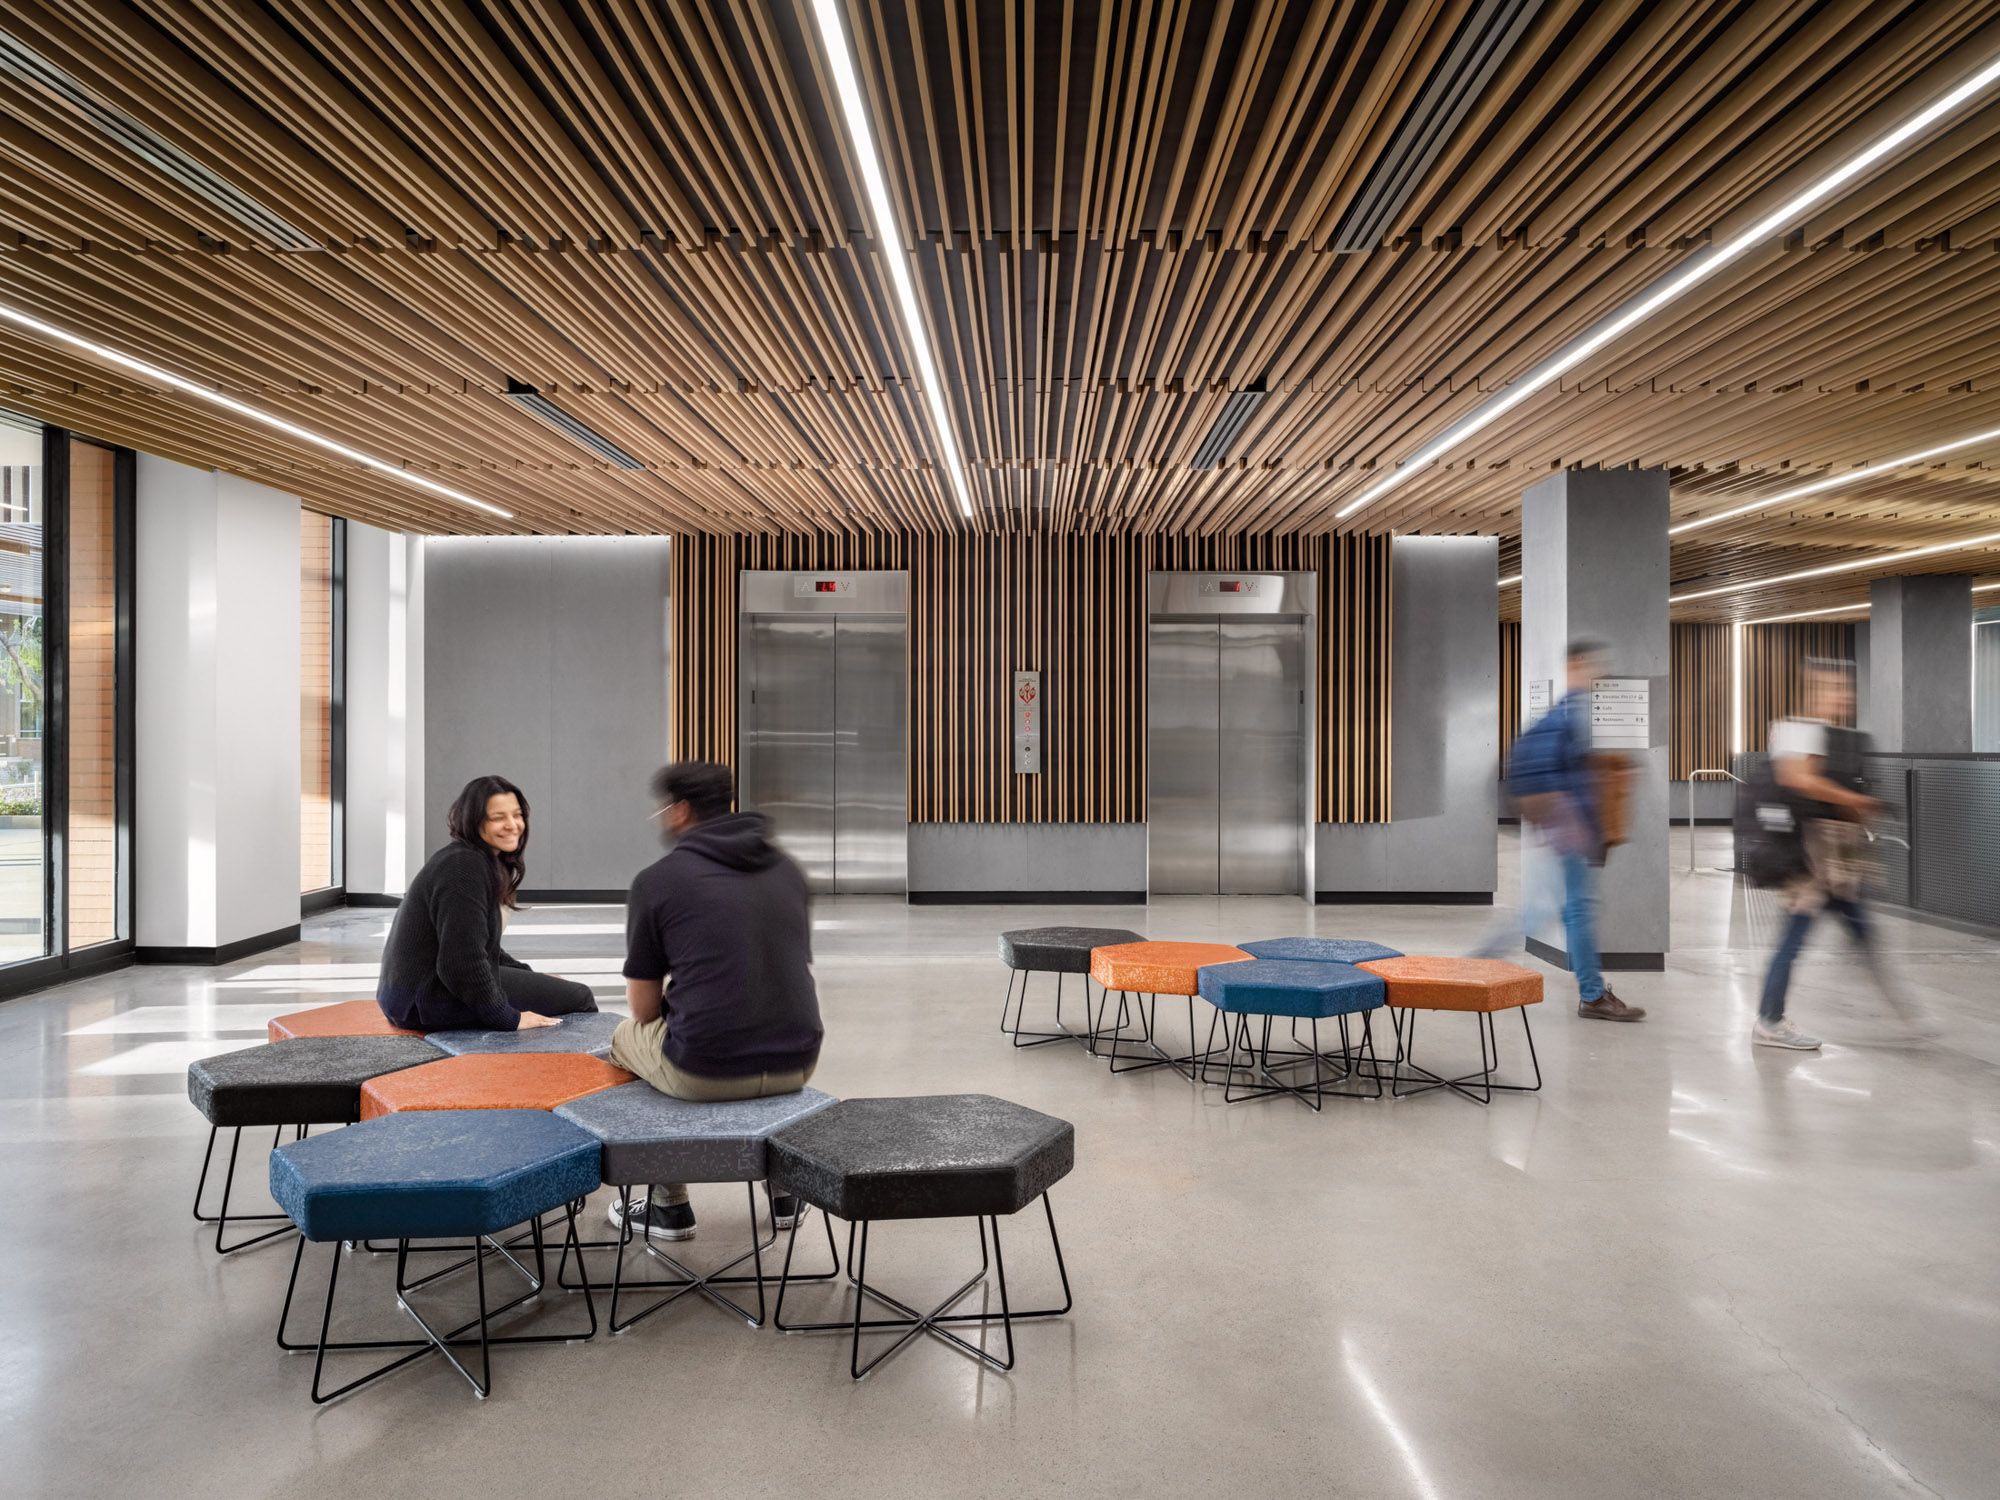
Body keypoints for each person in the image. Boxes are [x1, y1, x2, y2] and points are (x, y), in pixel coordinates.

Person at [607, 760, 823, 1242]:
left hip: (704, 1070)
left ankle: (668, 1205)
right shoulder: (787, 869)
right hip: (799, 1059)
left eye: (662, 809)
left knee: (625, 1042)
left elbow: (643, 1010)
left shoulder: (658, 880)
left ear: (680, 811)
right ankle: (786, 1192)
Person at [1475, 639, 1647, 1021]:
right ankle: (1588, 993)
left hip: (1567, 824)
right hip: (1572, 826)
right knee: (1568, 910)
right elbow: (1562, 771)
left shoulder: (1566, 712)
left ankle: (1590, 991)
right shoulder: (1572, 713)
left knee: (1563, 909)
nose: (1597, 674)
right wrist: (1575, 815)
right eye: (1592, 666)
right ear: (1576, 664)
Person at [1753, 658, 1908, 1049]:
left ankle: (1905, 1010)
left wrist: (1858, 809)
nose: (1840, 696)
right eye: (1831, 688)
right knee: (1794, 938)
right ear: (1813, 690)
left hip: (1834, 859)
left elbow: (1823, 792)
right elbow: (1798, 780)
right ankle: (1769, 1020)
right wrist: (1855, 798)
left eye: (1844, 689)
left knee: (1860, 929)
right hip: (1804, 861)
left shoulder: (1833, 737)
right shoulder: (1795, 731)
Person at [376, 775, 599, 1032]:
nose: (512, 825)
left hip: (414, 996)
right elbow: (460, 962)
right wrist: (508, 1018)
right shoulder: (464, 868)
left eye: (517, 815)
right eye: (498, 818)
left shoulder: (474, 860)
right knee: (579, 997)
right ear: (473, 821)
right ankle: (560, 1070)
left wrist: (529, 975)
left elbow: (482, 946)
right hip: (425, 1001)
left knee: (562, 991)